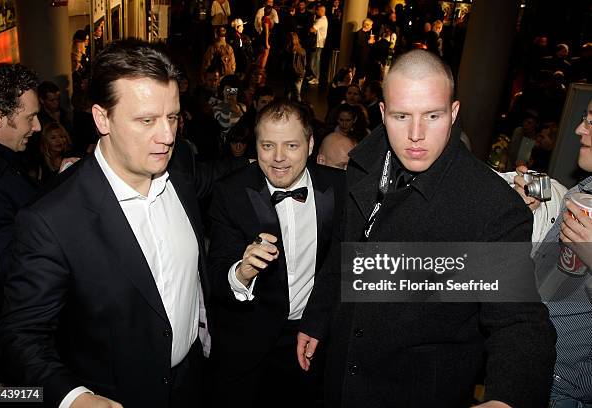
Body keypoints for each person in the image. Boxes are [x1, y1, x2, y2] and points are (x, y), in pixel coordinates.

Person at [297, 49, 556, 408]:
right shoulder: (364, 165)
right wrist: (317, 318)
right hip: (342, 370)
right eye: (402, 116)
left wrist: (506, 398)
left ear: (453, 113)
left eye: (432, 116)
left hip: (415, 390)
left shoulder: (490, 206)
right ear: (384, 113)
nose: (416, 135)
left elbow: (520, 322)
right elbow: (343, 250)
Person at [0, 39, 210, 408]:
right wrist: (73, 398)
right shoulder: (51, 219)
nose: (168, 135)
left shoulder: (182, 171)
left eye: (172, 117)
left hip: (192, 383)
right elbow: (21, 335)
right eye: (146, 120)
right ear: (101, 118)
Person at [207, 99, 346, 407]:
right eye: (268, 145)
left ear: (310, 145)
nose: (279, 158)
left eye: (292, 146)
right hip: (245, 344)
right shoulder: (230, 193)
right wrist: (241, 272)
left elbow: (340, 265)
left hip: (309, 338)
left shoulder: (340, 188)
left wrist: (319, 322)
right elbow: (215, 274)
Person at [513, 99, 592, 408]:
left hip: (567, 390)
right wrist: (527, 215)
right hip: (534, 365)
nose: (578, 129)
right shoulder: (581, 192)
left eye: (590, 121)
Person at [0, 63, 40, 387]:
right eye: (30, 117)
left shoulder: (5, 163)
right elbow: (8, 263)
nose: (38, 126)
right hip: (3, 369)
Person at [307, 5, 327, 85]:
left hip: (318, 43)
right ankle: (313, 75)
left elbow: (312, 29)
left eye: (317, 10)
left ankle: (316, 78)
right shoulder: (321, 19)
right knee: (313, 60)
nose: (316, 12)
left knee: (315, 61)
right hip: (318, 43)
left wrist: (311, 29)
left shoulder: (321, 20)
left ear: (321, 11)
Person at [284, 32, 307, 102]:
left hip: (291, 73)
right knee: (297, 94)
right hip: (298, 74)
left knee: (289, 93)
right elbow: (305, 63)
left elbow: (287, 63)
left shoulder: (287, 51)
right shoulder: (302, 50)